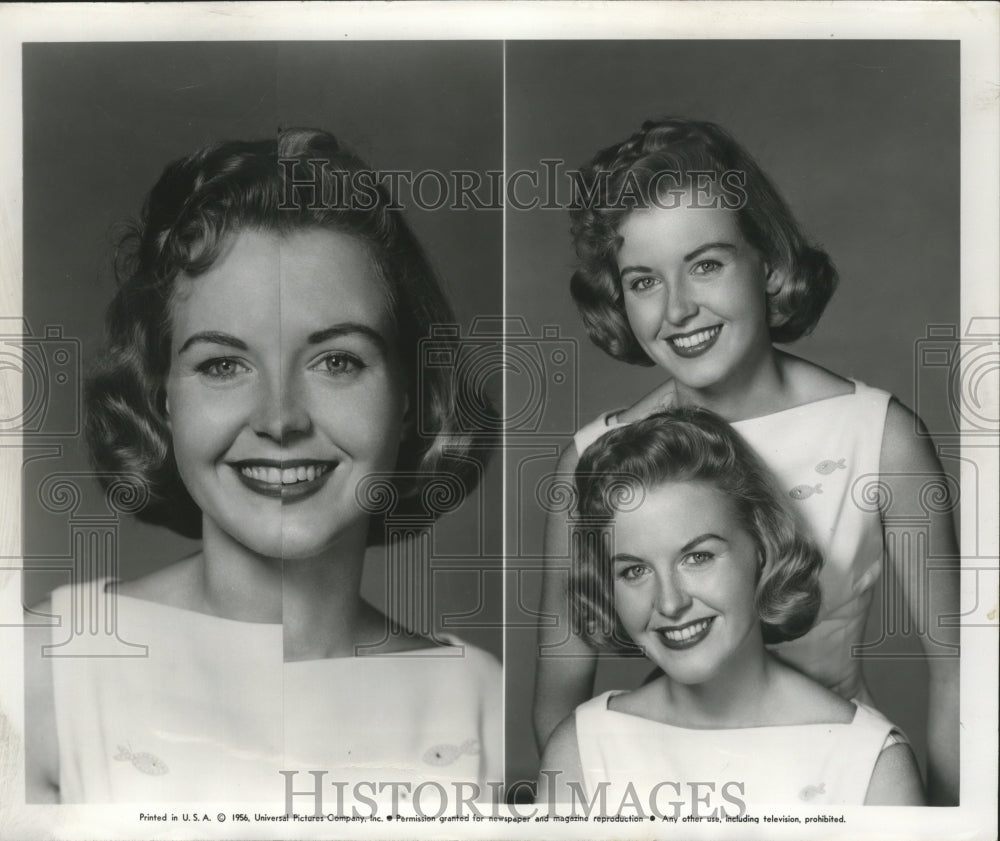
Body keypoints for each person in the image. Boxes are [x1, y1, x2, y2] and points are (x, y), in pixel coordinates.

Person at [24, 128, 500, 804]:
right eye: (222, 364)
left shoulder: (477, 699)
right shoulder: (48, 670)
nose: (280, 419)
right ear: (162, 395)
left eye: (337, 361)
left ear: (410, 394)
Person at [533, 117, 958, 804]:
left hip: (831, 782)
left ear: (764, 258)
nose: (678, 309)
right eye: (643, 280)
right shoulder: (594, 459)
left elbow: (958, 671)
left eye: (706, 263)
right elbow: (559, 705)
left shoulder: (880, 435)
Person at [538, 408, 924, 808]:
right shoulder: (580, 751)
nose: (670, 603)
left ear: (762, 546)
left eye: (698, 557)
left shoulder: (869, 765)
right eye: (635, 570)